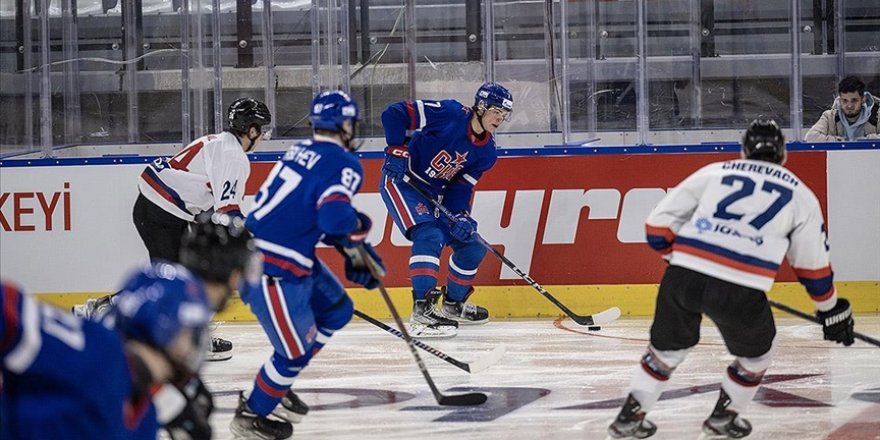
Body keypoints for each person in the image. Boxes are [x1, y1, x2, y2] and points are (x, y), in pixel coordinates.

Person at [605, 120, 856, 439]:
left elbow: (656, 227)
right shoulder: (800, 194)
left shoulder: (715, 172)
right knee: (757, 354)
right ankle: (725, 416)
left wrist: (681, 259)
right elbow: (812, 268)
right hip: (740, 287)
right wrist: (830, 309)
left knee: (666, 351)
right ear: (783, 155)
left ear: (743, 151)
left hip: (683, 277)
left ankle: (629, 418)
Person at [0, 215, 257, 440]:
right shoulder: (95, 351)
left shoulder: (141, 416)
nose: (192, 345)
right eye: (190, 332)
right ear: (164, 326)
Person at [230, 90, 383, 440]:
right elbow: (333, 219)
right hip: (270, 269)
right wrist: (356, 243)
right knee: (294, 353)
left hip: (286, 257)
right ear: (345, 124)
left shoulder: (300, 150)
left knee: (337, 310)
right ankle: (251, 413)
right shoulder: (345, 162)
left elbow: (312, 212)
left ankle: (277, 384)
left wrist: (351, 246)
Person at [73, 97, 272, 361]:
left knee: (185, 277)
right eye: (263, 130)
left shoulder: (218, 142)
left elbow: (208, 205)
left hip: (158, 210)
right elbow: (228, 211)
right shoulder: (233, 156)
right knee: (179, 280)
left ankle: (189, 334)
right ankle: (99, 311)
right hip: (160, 214)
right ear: (252, 130)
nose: (263, 137)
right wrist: (252, 244)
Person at [378, 82, 513, 339]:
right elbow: (393, 113)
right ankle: (422, 309)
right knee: (429, 235)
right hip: (402, 181)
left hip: (434, 195)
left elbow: (459, 189)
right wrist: (396, 149)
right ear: (481, 106)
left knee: (472, 245)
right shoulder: (450, 113)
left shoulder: (487, 153)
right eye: (497, 111)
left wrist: (460, 215)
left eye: (504, 115)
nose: (500, 119)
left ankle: (453, 305)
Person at [805, 75, 879, 141]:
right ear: (840, 100)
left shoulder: (877, 115)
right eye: (845, 101)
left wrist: (864, 141)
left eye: (854, 100)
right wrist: (840, 141)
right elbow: (810, 138)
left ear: (863, 99)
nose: (849, 105)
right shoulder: (829, 117)